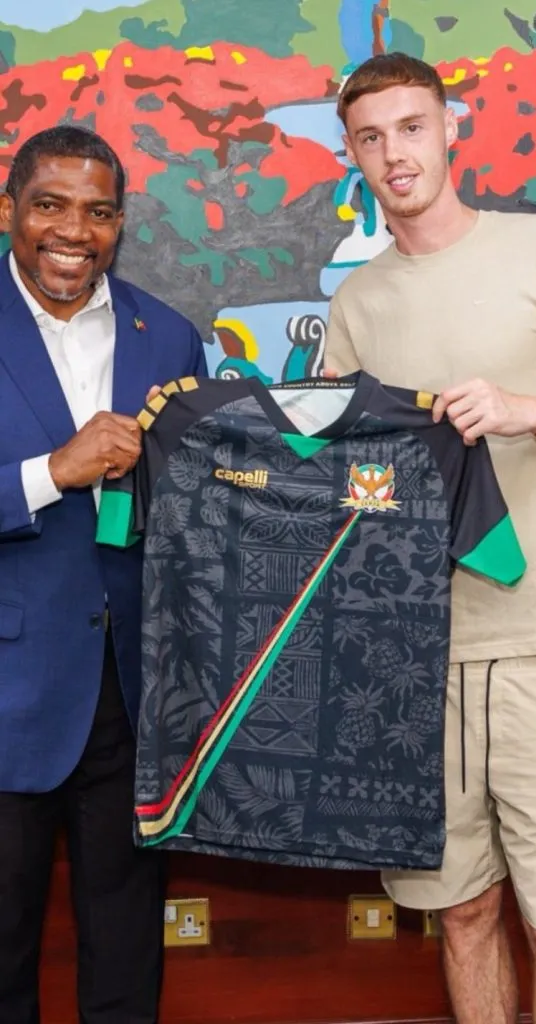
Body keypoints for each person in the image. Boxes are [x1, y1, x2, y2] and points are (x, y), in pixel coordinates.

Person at [325, 52, 536, 1024]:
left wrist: (530, 411)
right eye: (370, 137)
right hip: (406, 663)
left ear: (449, 126)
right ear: (350, 154)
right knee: (461, 916)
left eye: (410, 127)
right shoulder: (355, 305)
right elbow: (337, 483)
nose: (394, 154)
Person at [0, 125, 207, 1023]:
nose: (72, 231)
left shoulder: (168, 335)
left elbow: (201, 514)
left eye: (97, 212)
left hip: (135, 696)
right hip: (7, 694)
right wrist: (54, 472)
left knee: (126, 950)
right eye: (49, 205)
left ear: (121, 224)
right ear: (10, 210)